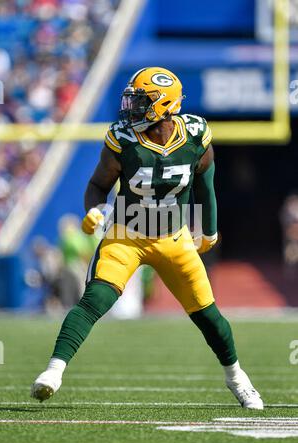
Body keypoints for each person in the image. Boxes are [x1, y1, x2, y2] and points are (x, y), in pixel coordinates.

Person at [31, 67, 263, 409]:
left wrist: (210, 229)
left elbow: (206, 184)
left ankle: (237, 378)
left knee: (208, 315)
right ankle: (53, 371)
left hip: (174, 238)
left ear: (165, 105)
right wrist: (94, 210)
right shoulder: (122, 138)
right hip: (128, 235)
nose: (132, 108)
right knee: (95, 299)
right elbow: (98, 184)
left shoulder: (196, 134)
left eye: (142, 101)